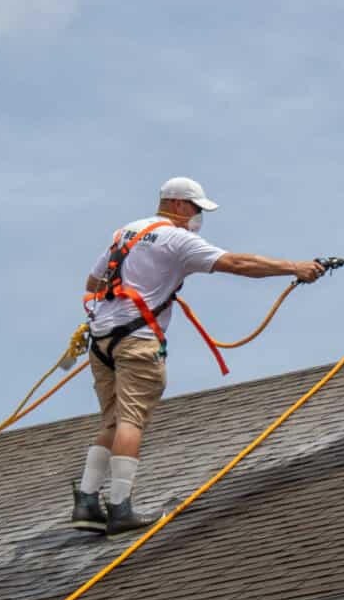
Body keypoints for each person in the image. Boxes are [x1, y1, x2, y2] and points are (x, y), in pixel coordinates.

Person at [71, 177, 324, 535]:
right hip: (137, 341)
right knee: (131, 421)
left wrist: (142, 289)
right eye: (196, 209)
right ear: (177, 205)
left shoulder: (128, 232)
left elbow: (93, 284)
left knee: (111, 422)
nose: (197, 218)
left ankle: (86, 502)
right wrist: (294, 267)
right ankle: (119, 507)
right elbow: (237, 263)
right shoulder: (178, 239)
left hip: (102, 342)